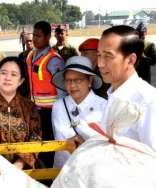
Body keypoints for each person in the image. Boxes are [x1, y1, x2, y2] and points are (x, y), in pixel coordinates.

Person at [97, 25, 156, 160]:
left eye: (108, 56)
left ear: (130, 60)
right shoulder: (113, 93)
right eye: (99, 55)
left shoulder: (146, 98)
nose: (100, 63)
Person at [0, 56, 42, 170]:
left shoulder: (30, 107)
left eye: (14, 74)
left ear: (21, 81)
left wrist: (19, 164)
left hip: (24, 171)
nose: (8, 78)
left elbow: (35, 138)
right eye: (3, 73)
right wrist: (0, 167)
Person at [51, 56, 107, 167]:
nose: (72, 85)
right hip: (65, 168)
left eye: (78, 80)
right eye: (68, 80)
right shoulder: (59, 105)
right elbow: (61, 137)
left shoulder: (104, 106)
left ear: (89, 81)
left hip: (93, 167)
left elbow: (105, 141)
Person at [27, 21, 65, 167]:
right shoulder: (31, 56)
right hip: (36, 111)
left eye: (39, 36)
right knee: (38, 146)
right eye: (34, 35)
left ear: (48, 36)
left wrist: (60, 114)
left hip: (51, 113)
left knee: (49, 148)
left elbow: (62, 91)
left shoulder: (53, 60)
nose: (35, 39)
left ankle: (49, 178)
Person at [18, 32, 34, 98]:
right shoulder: (21, 56)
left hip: (36, 86)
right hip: (24, 87)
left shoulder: (40, 55)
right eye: (27, 41)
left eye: (30, 41)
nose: (29, 43)